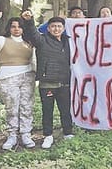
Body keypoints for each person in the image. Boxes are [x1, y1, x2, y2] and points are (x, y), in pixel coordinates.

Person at [0, 14, 36, 150]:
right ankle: (12, 135)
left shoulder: (29, 42)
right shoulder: (1, 40)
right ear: (9, 28)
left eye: (19, 27)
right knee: (12, 107)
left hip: (28, 76)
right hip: (8, 78)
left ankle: (25, 134)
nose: (16, 29)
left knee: (26, 107)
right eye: (13, 27)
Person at [21, 11, 73, 149]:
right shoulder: (42, 40)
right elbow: (32, 33)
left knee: (65, 109)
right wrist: (29, 21)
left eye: (59, 26)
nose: (56, 29)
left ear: (63, 28)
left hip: (64, 82)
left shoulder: (69, 41)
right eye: (53, 26)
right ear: (48, 28)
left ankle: (68, 132)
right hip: (47, 83)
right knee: (47, 110)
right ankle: (48, 135)